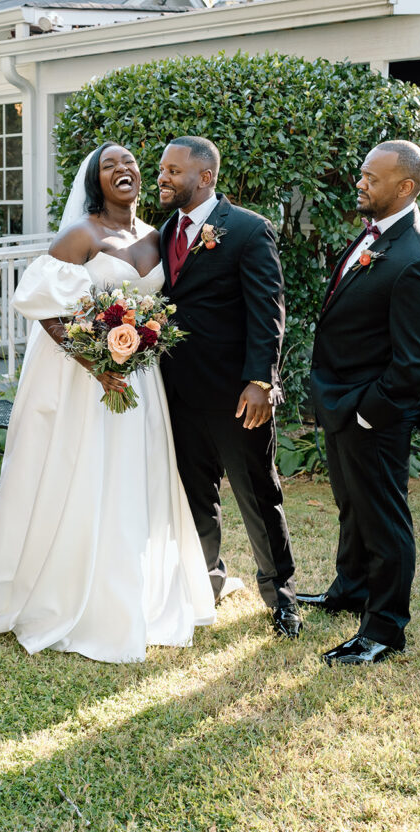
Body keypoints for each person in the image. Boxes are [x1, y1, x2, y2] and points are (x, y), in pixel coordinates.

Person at [0, 142, 216, 662]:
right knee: (83, 476)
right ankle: (72, 592)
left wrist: (133, 351)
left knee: (132, 478)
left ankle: (137, 589)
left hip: (142, 382)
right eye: (108, 165)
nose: (122, 170)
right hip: (85, 382)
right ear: (95, 181)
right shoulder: (82, 234)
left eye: (128, 163)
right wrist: (98, 365)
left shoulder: (157, 234)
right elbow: (42, 304)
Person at [300, 140, 420, 665]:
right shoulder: (376, 237)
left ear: (404, 187)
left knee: (384, 519)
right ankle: (351, 590)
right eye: (361, 173)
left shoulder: (419, 261)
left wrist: (368, 412)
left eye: (371, 176)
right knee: (352, 507)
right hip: (341, 402)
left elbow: (417, 362)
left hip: (374, 414)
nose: (359, 182)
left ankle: (384, 629)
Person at [158, 135, 301, 638]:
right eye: (163, 169)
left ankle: (281, 596)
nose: (164, 177)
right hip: (177, 394)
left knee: (258, 494)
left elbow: (269, 311)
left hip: (238, 397)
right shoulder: (164, 232)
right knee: (197, 495)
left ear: (206, 177)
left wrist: (262, 381)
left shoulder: (246, 229)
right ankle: (206, 584)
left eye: (175, 170)